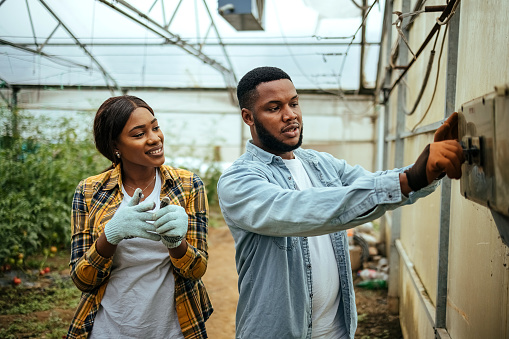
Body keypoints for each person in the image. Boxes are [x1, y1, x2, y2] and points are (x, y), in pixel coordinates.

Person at [216, 66, 464, 339]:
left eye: (294, 103)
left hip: (336, 330)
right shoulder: (238, 180)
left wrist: (428, 170)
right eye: (274, 108)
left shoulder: (321, 164)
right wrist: (409, 179)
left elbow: (375, 183)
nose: (291, 115)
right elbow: (299, 209)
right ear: (248, 117)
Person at [66, 95, 213, 338]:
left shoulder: (188, 185)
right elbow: (82, 280)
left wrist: (177, 244)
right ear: (115, 146)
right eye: (139, 134)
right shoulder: (89, 191)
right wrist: (110, 235)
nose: (154, 138)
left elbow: (196, 270)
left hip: (174, 330)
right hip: (109, 329)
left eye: (155, 127)